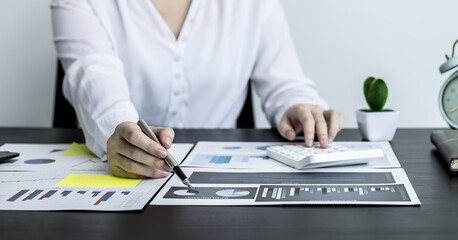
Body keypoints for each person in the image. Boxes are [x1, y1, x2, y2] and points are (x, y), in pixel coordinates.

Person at [51, 0, 345, 179]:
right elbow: (93, 75)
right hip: (125, 181)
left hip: (223, 177)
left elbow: (285, 82)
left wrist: (298, 105)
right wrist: (120, 132)